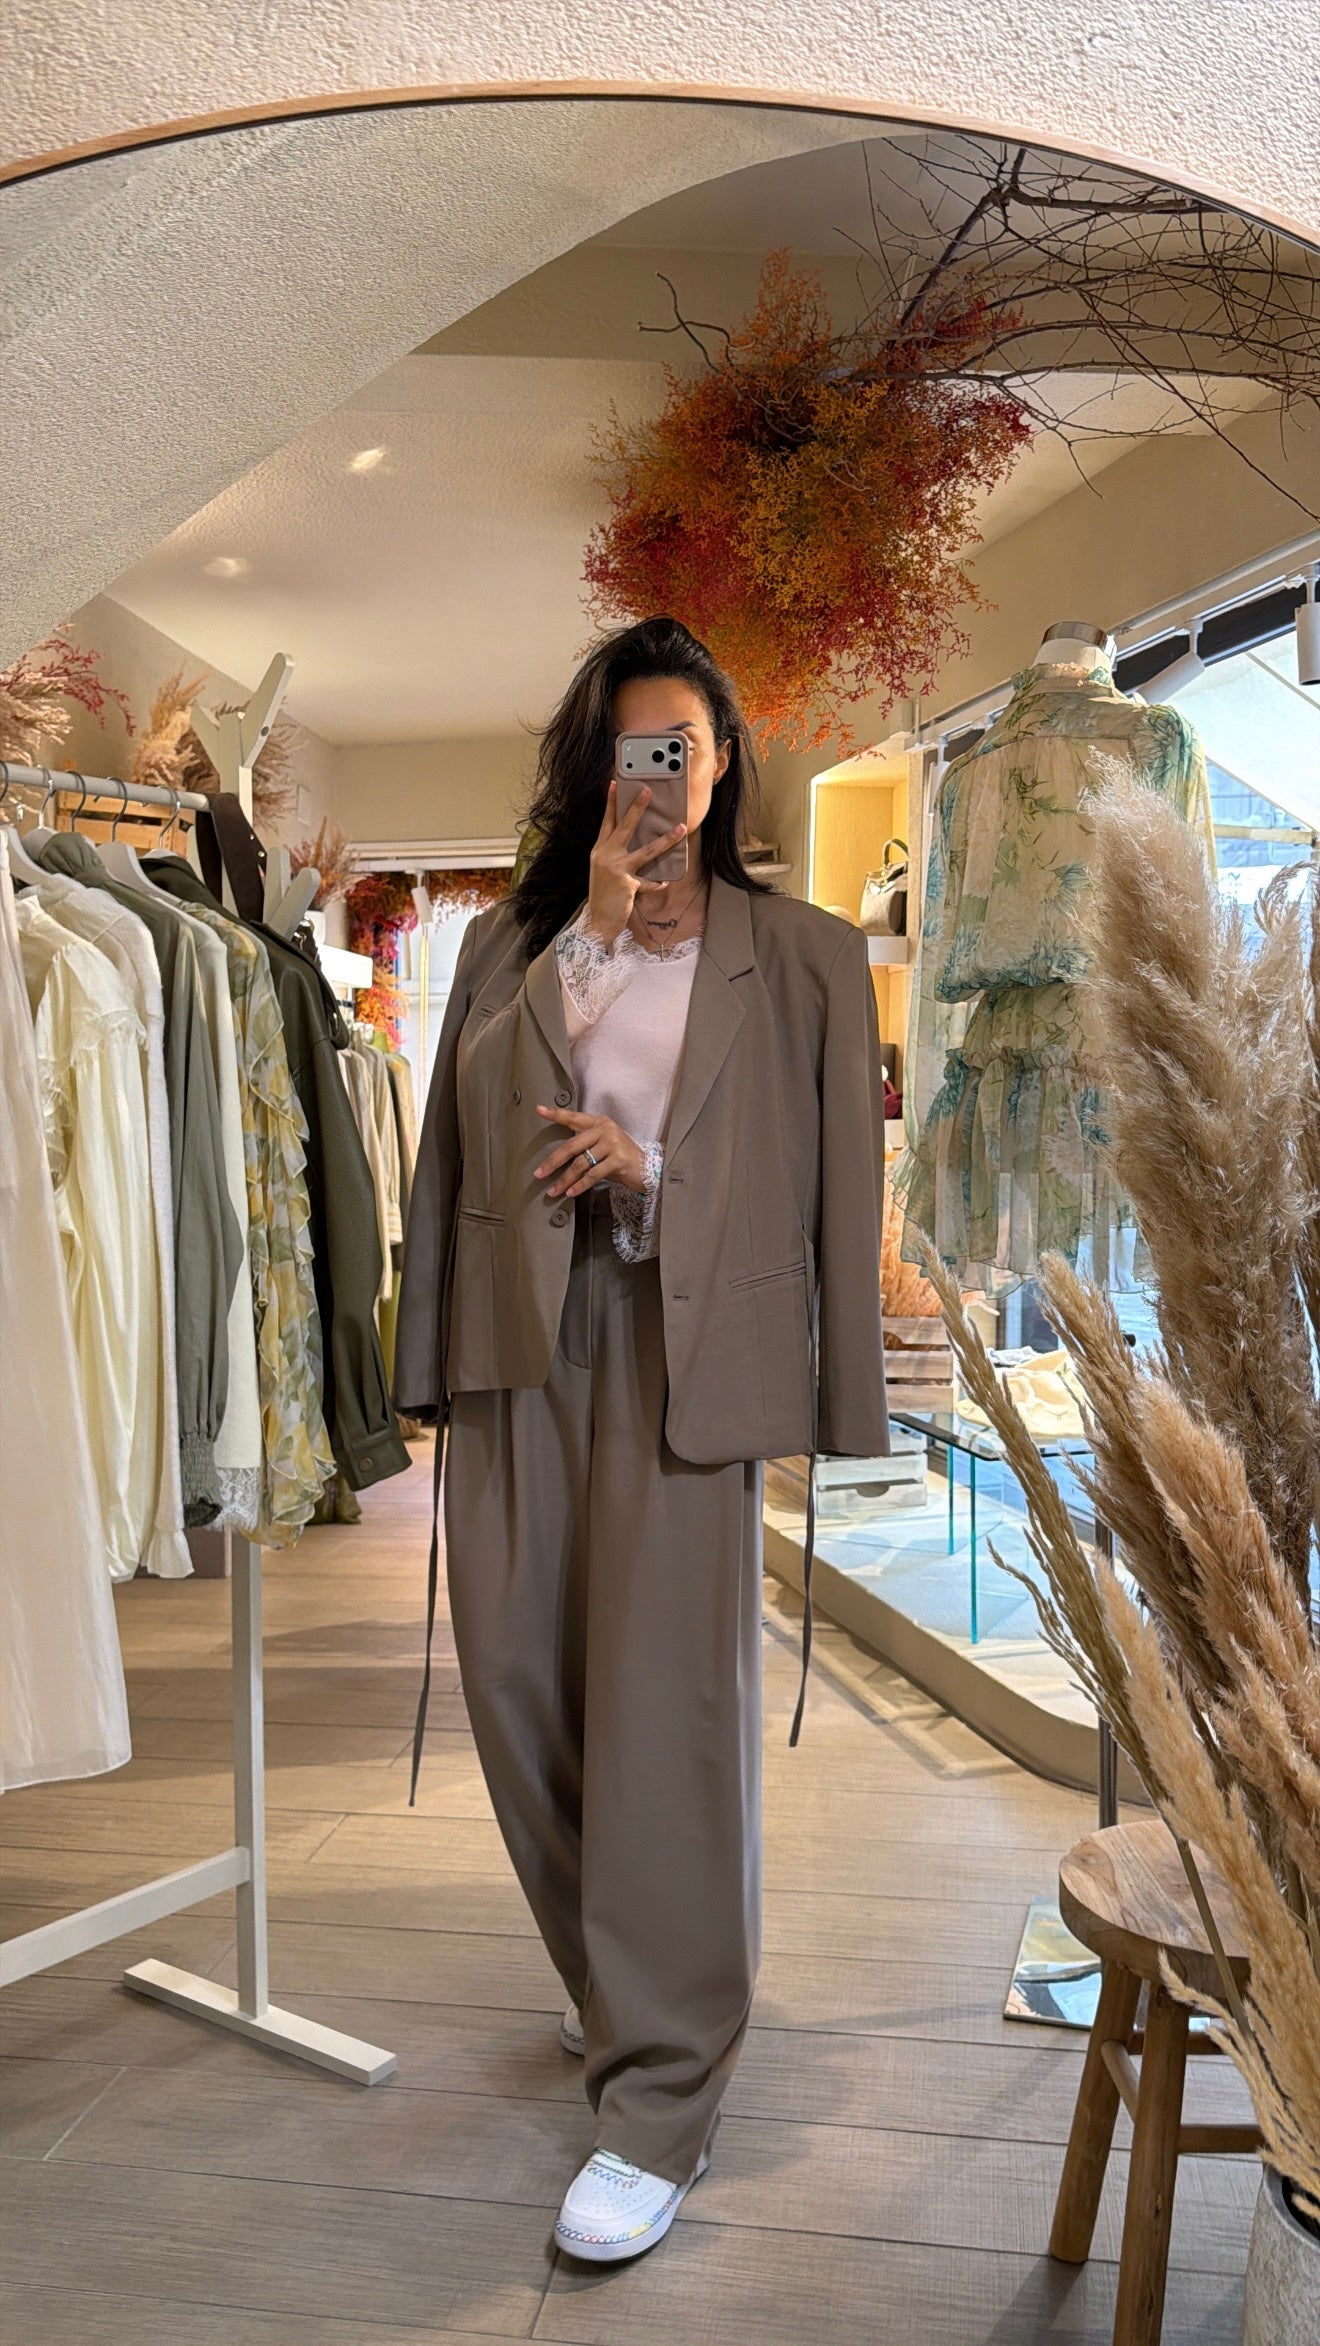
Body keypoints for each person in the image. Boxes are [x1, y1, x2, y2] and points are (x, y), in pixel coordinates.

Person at [395, 616, 889, 2263]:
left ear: (725, 758)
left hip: (681, 1340)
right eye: (632, 751)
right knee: (515, 1682)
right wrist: (595, 931)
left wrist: (649, 1172)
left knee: (667, 1712)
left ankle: (663, 2087)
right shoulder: (513, 943)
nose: (659, 779)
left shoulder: (801, 956)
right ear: (595, 766)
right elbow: (462, 1138)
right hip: (518, 1343)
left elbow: (820, 1190)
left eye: (683, 747)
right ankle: (620, 1973)